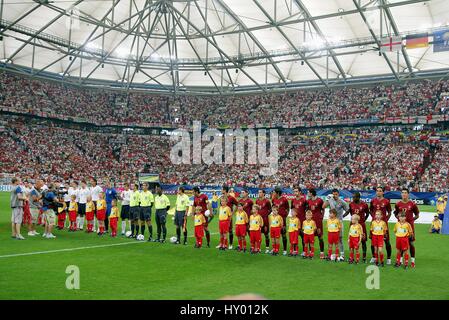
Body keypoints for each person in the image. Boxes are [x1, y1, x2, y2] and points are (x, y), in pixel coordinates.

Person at [393, 188, 419, 268]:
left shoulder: (412, 204)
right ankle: (400, 261)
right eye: (402, 193)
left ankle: (413, 261)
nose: (404, 194)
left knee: (411, 244)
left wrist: (411, 221)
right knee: (400, 245)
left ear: (408, 194)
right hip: (401, 227)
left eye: (405, 193)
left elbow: (417, 214)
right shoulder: (398, 204)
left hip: (409, 227)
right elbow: (395, 213)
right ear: (401, 194)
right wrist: (399, 219)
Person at [323, 189, 349, 261]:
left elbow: (347, 210)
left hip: (339, 222)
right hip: (331, 222)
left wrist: (342, 217)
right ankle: (329, 254)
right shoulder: (330, 200)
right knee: (330, 240)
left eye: (336, 194)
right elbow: (323, 206)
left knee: (339, 238)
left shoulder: (342, 202)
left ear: (338, 194)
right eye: (333, 194)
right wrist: (327, 199)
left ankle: (342, 255)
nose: (334, 196)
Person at [344, 192, 370, 263]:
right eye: (352, 197)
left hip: (361, 225)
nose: (353, 198)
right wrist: (342, 216)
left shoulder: (364, 204)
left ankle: (364, 258)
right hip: (352, 225)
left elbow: (367, 213)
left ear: (358, 197)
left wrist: (364, 220)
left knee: (363, 241)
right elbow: (348, 211)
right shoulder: (351, 204)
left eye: (354, 197)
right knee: (351, 240)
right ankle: (351, 257)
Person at [369, 186, 392, 265]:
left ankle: (389, 258)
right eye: (377, 191)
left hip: (383, 224)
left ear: (383, 192)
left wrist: (386, 220)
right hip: (374, 224)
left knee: (387, 241)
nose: (378, 192)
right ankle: (374, 257)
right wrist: (373, 217)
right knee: (373, 241)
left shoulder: (386, 201)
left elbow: (389, 212)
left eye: (380, 191)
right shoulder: (373, 201)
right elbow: (370, 210)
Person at [307, 188, 325, 259]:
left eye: (308, 192)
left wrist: (321, 217)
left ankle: (322, 253)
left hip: (318, 221)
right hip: (310, 222)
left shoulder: (320, 200)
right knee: (310, 237)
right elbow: (307, 210)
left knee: (320, 237)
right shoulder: (308, 201)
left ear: (311, 193)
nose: (308, 193)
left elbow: (323, 209)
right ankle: (311, 252)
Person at [271, 187, 290, 256]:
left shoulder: (284, 199)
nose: (273, 193)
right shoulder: (273, 199)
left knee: (283, 234)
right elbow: (272, 208)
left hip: (282, 220)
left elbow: (288, 208)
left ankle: (284, 250)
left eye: (274, 192)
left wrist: (285, 216)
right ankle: (275, 249)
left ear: (278, 193)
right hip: (274, 220)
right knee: (274, 236)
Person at [291, 186, 307, 256]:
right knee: (294, 237)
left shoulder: (304, 200)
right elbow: (292, 210)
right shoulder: (293, 200)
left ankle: (304, 251)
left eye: (296, 191)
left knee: (303, 237)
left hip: (302, 221)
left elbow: (307, 210)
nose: (295, 193)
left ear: (300, 192)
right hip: (295, 222)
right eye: (294, 191)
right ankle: (295, 251)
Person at [255, 189, 271, 253]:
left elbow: (270, 209)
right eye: (258, 192)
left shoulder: (267, 201)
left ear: (263, 193)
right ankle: (259, 248)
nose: (259, 193)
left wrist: (266, 215)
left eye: (260, 192)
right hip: (258, 220)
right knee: (258, 234)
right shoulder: (257, 201)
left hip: (265, 220)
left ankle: (267, 248)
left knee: (266, 234)